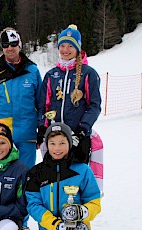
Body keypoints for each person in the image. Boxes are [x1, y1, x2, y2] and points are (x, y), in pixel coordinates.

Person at [0, 27, 42, 230]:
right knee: (1, 178)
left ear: (20, 45)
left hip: (26, 134)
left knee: (24, 179)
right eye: (5, 45)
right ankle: (0, 217)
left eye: (13, 45)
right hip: (1, 138)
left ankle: (21, 222)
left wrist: (41, 130)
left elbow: (41, 104)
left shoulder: (32, 71)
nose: (10, 49)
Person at [37, 24, 101, 165]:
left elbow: (95, 105)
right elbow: (43, 105)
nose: (66, 50)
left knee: (76, 177)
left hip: (77, 136)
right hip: (55, 139)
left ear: (77, 48)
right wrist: (42, 127)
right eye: (62, 46)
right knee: (54, 177)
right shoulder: (51, 75)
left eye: (70, 46)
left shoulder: (88, 73)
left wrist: (83, 128)